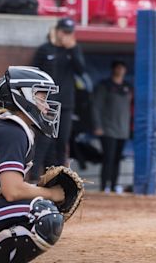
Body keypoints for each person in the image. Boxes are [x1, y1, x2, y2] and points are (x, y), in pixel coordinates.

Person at [0, 66, 66, 262]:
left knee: (36, 206)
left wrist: (37, 190)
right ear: (22, 96)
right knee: (42, 213)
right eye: (41, 98)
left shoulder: (7, 127)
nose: (47, 106)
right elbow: (12, 191)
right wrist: (52, 194)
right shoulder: (12, 130)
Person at [31, 17, 86, 180]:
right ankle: (34, 177)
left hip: (66, 104)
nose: (66, 36)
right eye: (64, 32)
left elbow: (81, 70)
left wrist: (73, 49)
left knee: (62, 141)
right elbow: (35, 75)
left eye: (69, 33)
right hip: (48, 104)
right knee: (44, 141)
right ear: (56, 31)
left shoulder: (73, 50)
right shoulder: (45, 50)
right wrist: (38, 99)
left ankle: (59, 179)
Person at [93, 61, 132, 194]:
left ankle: (114, 186)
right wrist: (98, 126)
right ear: (113, 69)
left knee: (117, 159)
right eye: (118, 67)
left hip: (123, 130)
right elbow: (96, 107)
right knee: (108, 159)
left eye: (123, 67)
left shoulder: (127, 87)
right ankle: (104, 187)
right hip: (108, 129)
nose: (121, 70)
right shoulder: (105, 86)